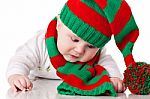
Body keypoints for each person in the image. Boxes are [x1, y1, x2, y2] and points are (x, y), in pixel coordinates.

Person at [6, 0, 141, 96]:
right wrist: (17, 75)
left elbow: (107, 61)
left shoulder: (97, 54)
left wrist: (114, 78)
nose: (80, 50)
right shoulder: (40, 43)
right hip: (39, 88)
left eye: (90, 46)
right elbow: (21, 58)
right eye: (74, 39)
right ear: (59, 25)